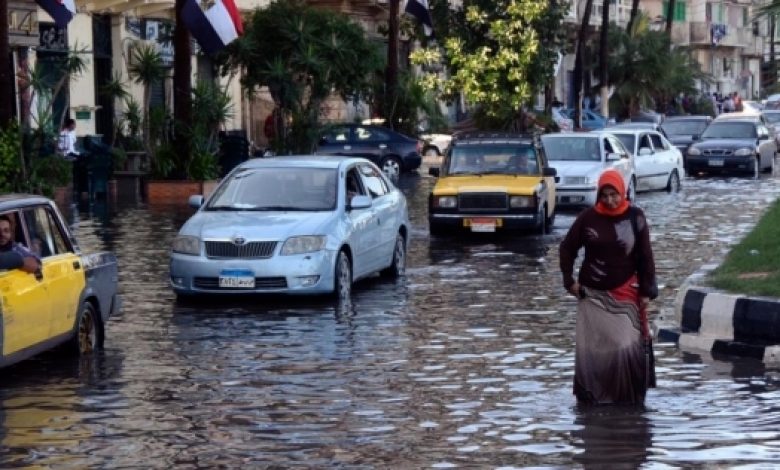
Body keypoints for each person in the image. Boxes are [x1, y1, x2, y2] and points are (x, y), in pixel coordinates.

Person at [559, 169, 658, 406]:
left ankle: (627, 398)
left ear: (622, 192)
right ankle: (595, 398)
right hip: (591, 296)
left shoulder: (636, 217)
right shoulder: (587, 218)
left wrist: (646, 291)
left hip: (626, 293)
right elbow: (567, 248)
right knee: (595, 348)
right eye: (605, 195)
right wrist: (569, 282)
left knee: (624, 345)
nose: (610, 200)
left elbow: (646, 256)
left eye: (614, 195)